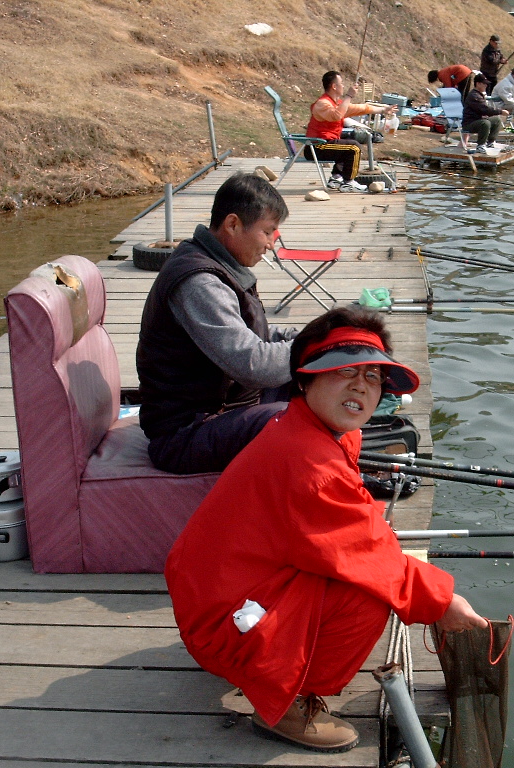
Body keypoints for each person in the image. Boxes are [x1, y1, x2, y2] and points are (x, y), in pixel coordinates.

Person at [165, 306, 487, 753]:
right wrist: (443, 602)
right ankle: (287, 705)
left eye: (373, 377)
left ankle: (256, 658)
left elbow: (356, 533)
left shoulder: (311, 429)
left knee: (378, 569)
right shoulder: (309, 464)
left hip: (213, 599)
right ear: (305, 380)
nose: (361, 386)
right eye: (344, 371)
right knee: (371, 595)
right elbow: (370, 559)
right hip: (218, 626)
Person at [136, 173, 296, 475]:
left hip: (226, 410)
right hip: (184, 434)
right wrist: (311, 348)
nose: (270, 245)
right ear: (232, 224)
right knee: (287, 421)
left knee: (326, 386)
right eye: (267, 232)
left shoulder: (217, 264)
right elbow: (252, 364)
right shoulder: (200, 282)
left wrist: (324, 338)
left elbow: (257, 335)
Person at [305, 70, 396, 193]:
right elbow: (336, 115)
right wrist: (349, 96)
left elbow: (361, 108)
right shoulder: (322, 103)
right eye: (341, 83)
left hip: (324, 144)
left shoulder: (337, 104)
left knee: (346, 144)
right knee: (354, 147)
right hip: (316, 147)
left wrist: (384, 110)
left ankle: (336, 177)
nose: (343, 86)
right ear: (334, 86)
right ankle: (348, 182)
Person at [463, 73, 508, 153]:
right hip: (469, 124)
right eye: (484, 84)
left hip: (477, 120)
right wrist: (500, 111)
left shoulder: (479, 94)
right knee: (485, 123)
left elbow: (484, 110)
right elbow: (485, 109)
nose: (486, 85)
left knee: (496, 120)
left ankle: (490, 142)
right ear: (478, 84)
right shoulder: (474, 96)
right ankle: (480, 145)